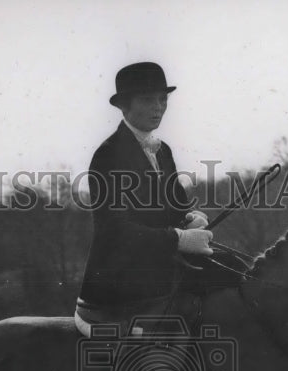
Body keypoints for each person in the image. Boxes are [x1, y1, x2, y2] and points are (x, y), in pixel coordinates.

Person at [75, 61, 212, 335]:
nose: (159, 107)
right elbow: (113, 230)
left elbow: (176, 208)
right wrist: (178, 238)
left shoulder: (164, 151)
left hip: (162, 268)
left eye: (163, 99)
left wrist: (191, 218)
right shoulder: (108, 155)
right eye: (148, 100)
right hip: (120, 280)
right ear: (124, 106)